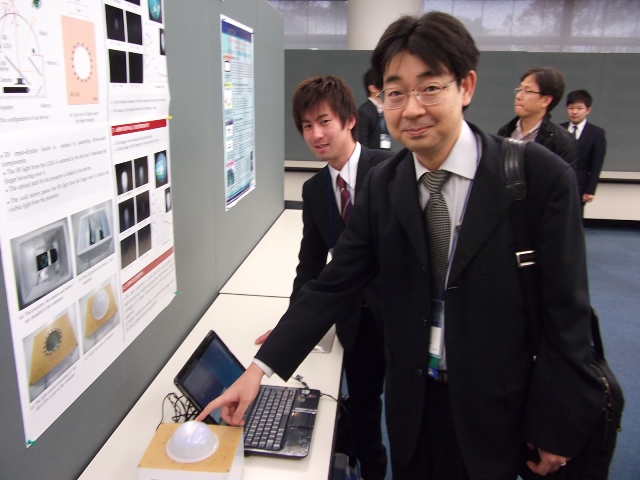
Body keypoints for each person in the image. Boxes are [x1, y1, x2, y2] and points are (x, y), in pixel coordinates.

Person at [198, 12, 602, 480]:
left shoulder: (537, 178)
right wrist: (257, 372)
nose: (411, 109)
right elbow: (334, 282)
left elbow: (566, 313)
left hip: (498, 405)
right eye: (395, 92)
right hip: (413, 400)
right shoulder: (385, 184)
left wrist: (555, 423)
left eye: (429, 87)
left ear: (466, 86)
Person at [257, 75, 392, 479]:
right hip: (355, 319)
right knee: (365, 407)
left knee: (410, 410)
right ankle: (372, 470)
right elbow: (310, 266)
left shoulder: (390, 172)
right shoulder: (316, 189)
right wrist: (291, 326)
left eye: (324, 121)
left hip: (400, 316)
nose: (315, 134)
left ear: (350, 120)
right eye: (306, 125)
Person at [498, 66, 578, 169]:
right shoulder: (506, 132)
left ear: (546, 100)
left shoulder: (561, 142)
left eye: (527, 91)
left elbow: (564, 178)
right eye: (520, 89)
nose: (518, 96)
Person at [560, 89, 607, 209]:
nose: (574, 112)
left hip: (580, 186)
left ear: (588, 110)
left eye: (579, 108)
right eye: (571, 108)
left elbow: (596, 164)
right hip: (557, 184)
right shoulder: (558, 130)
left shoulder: (596, 133)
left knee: (575, 217)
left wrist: (590, 190)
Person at [358, 69, 392, 150]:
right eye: (381, 84)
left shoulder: (385, 109)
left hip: (386, 153)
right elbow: (362, 141)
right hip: (372, 155)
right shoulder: (364, 111)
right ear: (372, 88)